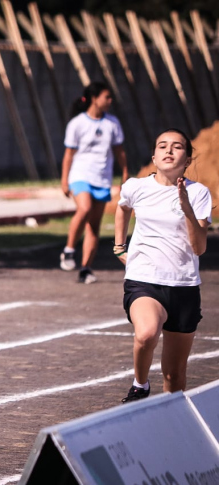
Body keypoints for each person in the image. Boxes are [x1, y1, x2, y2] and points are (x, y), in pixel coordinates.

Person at [115, 128, 211, 403]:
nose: (169, 150)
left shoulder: (199, 193)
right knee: (146, 334)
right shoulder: (136, 186)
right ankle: (140, 385)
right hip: (144, 279)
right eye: (162, 146)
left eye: (177, 147)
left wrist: (186, 208)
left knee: (174, 377)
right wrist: (119, 246)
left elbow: (199, 248)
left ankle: (171, 432)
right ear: (154, 157)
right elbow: (122, 209)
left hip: (184, 286)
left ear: (188, 159)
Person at [59, 82, 128, 283]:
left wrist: (125, 173)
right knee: (85, 208)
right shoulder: (77, 123)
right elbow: (68, 155)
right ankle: (69, 250)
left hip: (102, 178)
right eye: (106, 97)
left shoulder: (112, 123)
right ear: (94, 98)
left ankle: (86, 269)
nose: (110, 101)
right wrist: (64, 180)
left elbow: (119, 152)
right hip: (80, 175)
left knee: (94, 227)